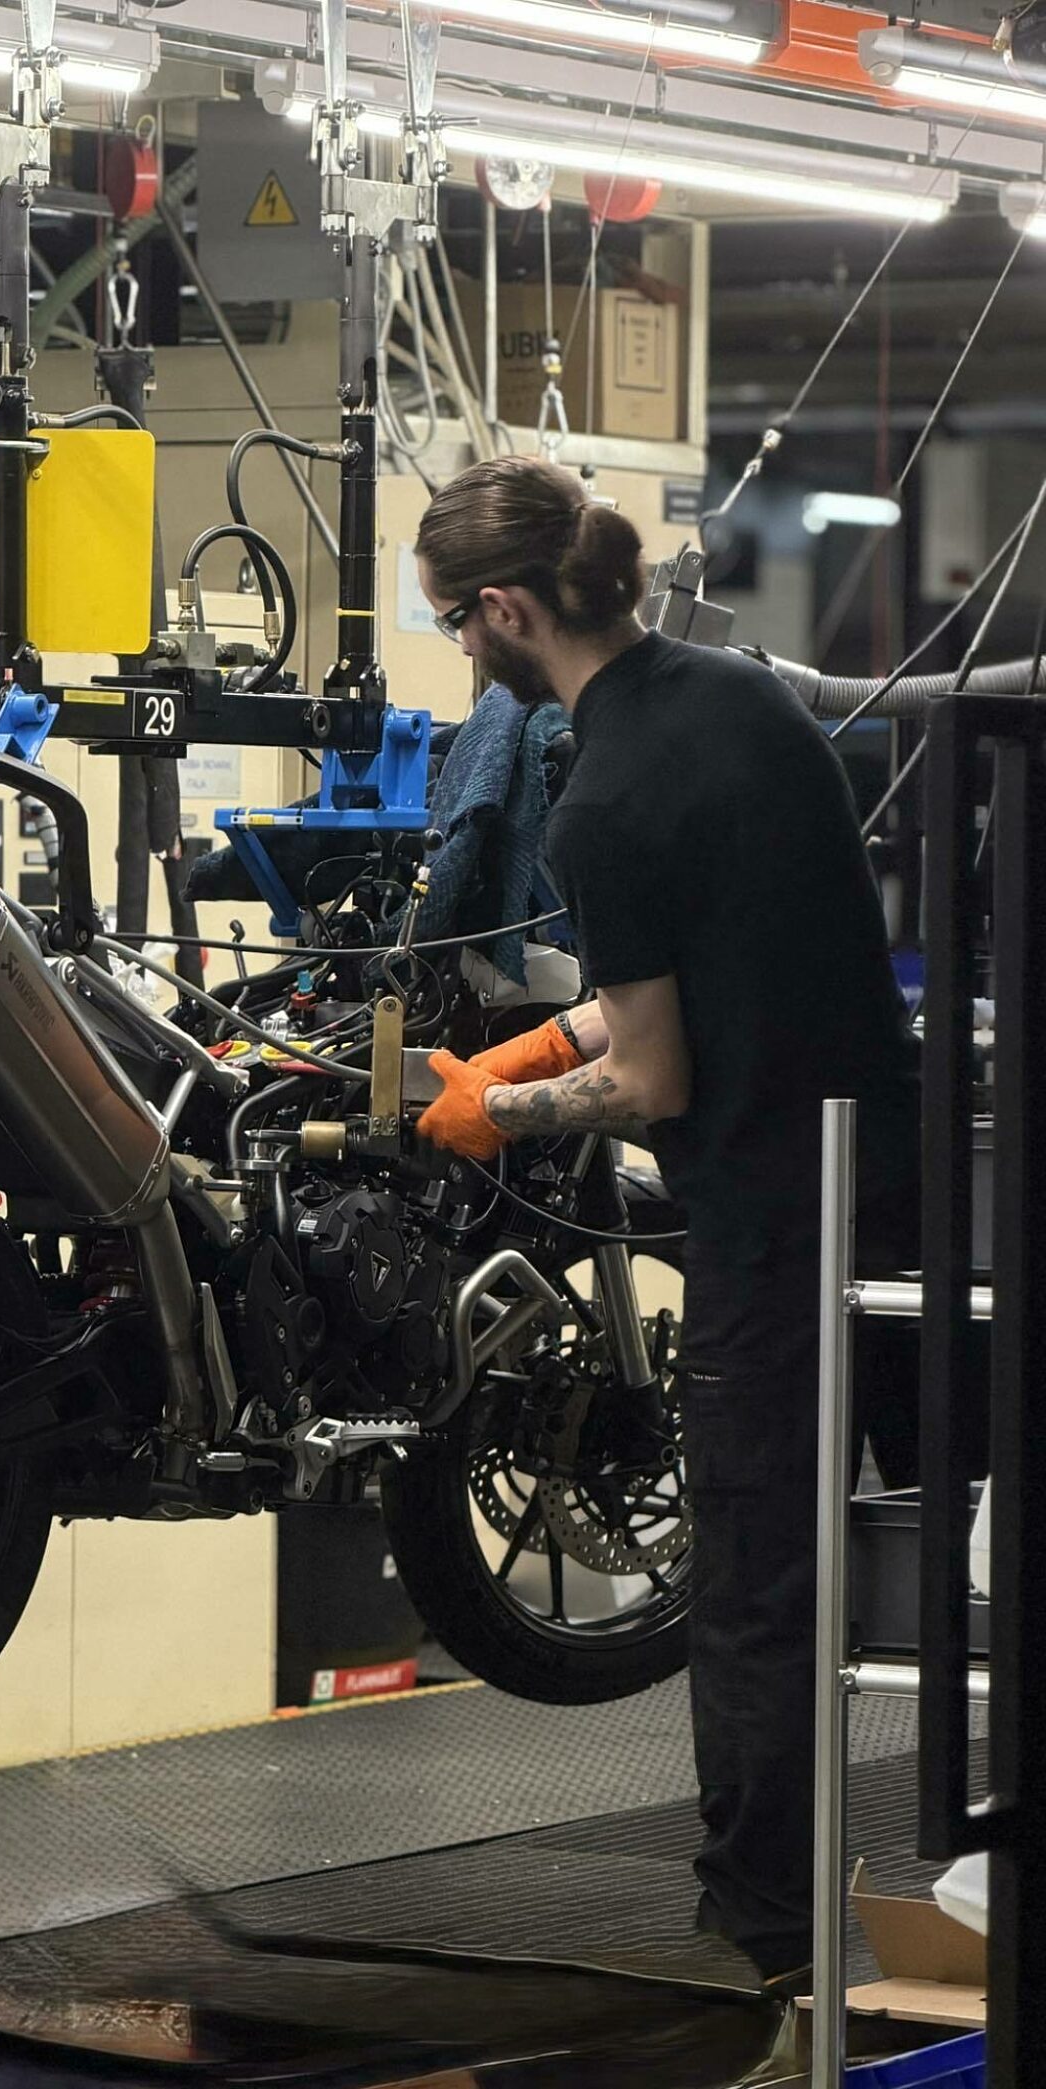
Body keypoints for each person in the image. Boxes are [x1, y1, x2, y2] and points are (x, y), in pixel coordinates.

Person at [412, 455, 920, 1991]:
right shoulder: (745, 703)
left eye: (455, 619)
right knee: (953, 1550)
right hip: (895, 1186)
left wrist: (493, 1108)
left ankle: (762, 1946)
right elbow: (724, 952)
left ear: (510, 608)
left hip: (766, 1225)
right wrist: (540, 1037)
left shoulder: (604, 801)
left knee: (757, 1590)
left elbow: (652, 1075)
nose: (460, 647)